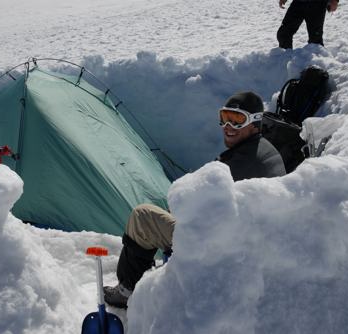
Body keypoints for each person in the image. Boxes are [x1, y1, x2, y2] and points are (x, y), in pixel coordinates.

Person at [104, 91, 287, 308]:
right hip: (249, 242)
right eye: (225, 117)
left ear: (255, 123)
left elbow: (198, 212)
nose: (228, 125)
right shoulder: (265, 150)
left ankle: (127, 291)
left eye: (237, 120)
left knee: (143, 216)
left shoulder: (241, 163)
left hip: (219, 246)